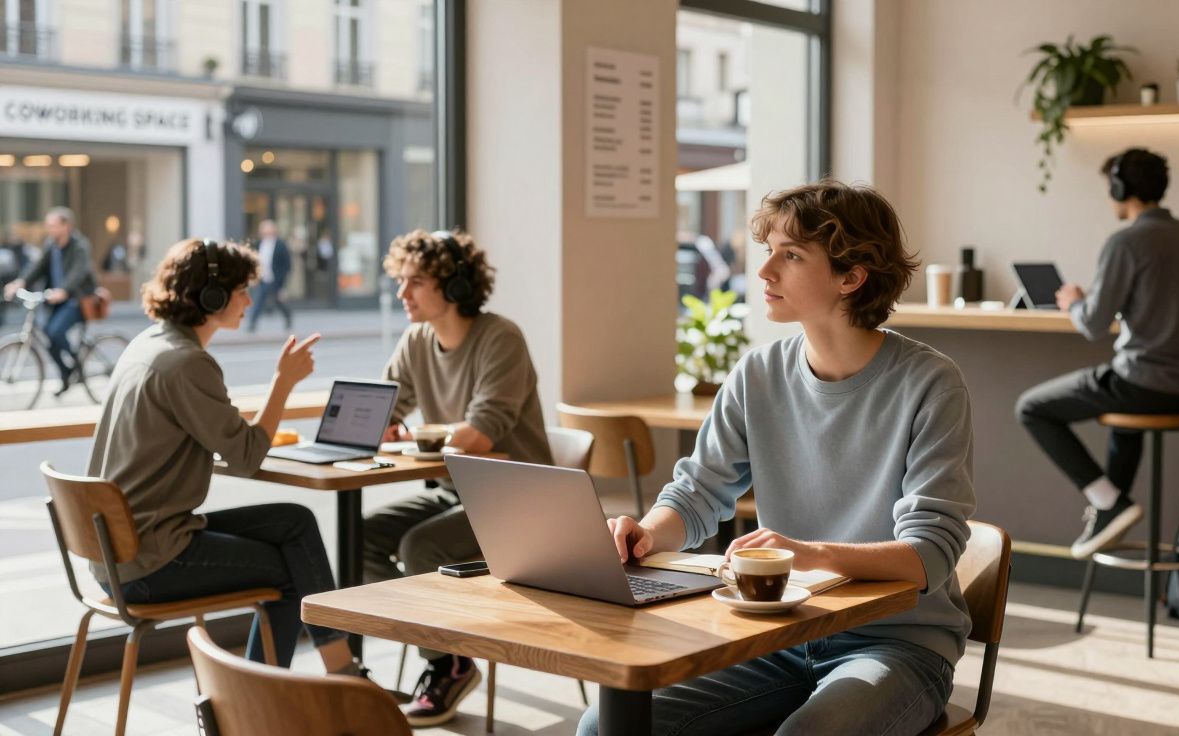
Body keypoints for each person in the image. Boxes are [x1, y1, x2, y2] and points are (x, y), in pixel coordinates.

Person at [579, 180, 975, 736]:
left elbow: (929, 556)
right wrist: (642, 534)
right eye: (769, 253)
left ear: (851, 276)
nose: (764, 272)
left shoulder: (931, 383)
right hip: (777, 636)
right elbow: (697, 494)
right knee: (607, 725)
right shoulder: (757, 374)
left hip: (897, 644)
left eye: (790, 256)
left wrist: (807, 552)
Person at [85, 237, 359, 674]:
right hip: (151, 560)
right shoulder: (186, 363)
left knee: (295, 521)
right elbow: (248, 455)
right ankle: (277, 697)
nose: (250, 300)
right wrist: (283, 382)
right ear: (210, 297)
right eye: (241, 290)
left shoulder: (149, 344)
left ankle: (338, 668)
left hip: (120, 551)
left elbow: (215, 445)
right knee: (292, 571)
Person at [362, 228, 552, 727]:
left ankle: (447, 661)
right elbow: (383, 410)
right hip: (456, 492)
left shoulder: (500, 338)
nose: (402, 294)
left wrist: (413, 435)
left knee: (421, 547)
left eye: (416, 282)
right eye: (401, 282)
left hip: (517, 499)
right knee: (360, 536)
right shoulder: (416, 340)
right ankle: (446, 654)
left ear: (456, 286)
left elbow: (482, 434)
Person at [1016, 148, 1179, 559]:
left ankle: (1109, 501)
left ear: (1119, 188)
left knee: (1031, 407)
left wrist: (1074, 301)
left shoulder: (1126, 242)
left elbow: (1091, 325)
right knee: (1124, 414)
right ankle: (1111, 514)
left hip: (1144, 383)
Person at [3, 207, 98, 394]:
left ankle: (75, 362)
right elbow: (37, 267)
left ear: (67, 226)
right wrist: (19, 283)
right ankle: (66, 373)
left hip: (77, 299)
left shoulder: (80, 246)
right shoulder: (50, 245)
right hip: (55, 299)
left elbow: (78, 272)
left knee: (54, 332)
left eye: (54, 226)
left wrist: (64, 290)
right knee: (48, 335)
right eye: (49, 226)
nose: (50, 229)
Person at [247, 219, 292, 331]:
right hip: (263, 279)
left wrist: (282, 286)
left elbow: (287, 265)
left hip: (276, 280)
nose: (265, 232)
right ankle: (252, 323)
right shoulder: (259, 244)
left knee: (279, 302)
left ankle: (288, 317)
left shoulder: (281, 245)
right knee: (258, 301)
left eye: (268, 230)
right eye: (263, 230)